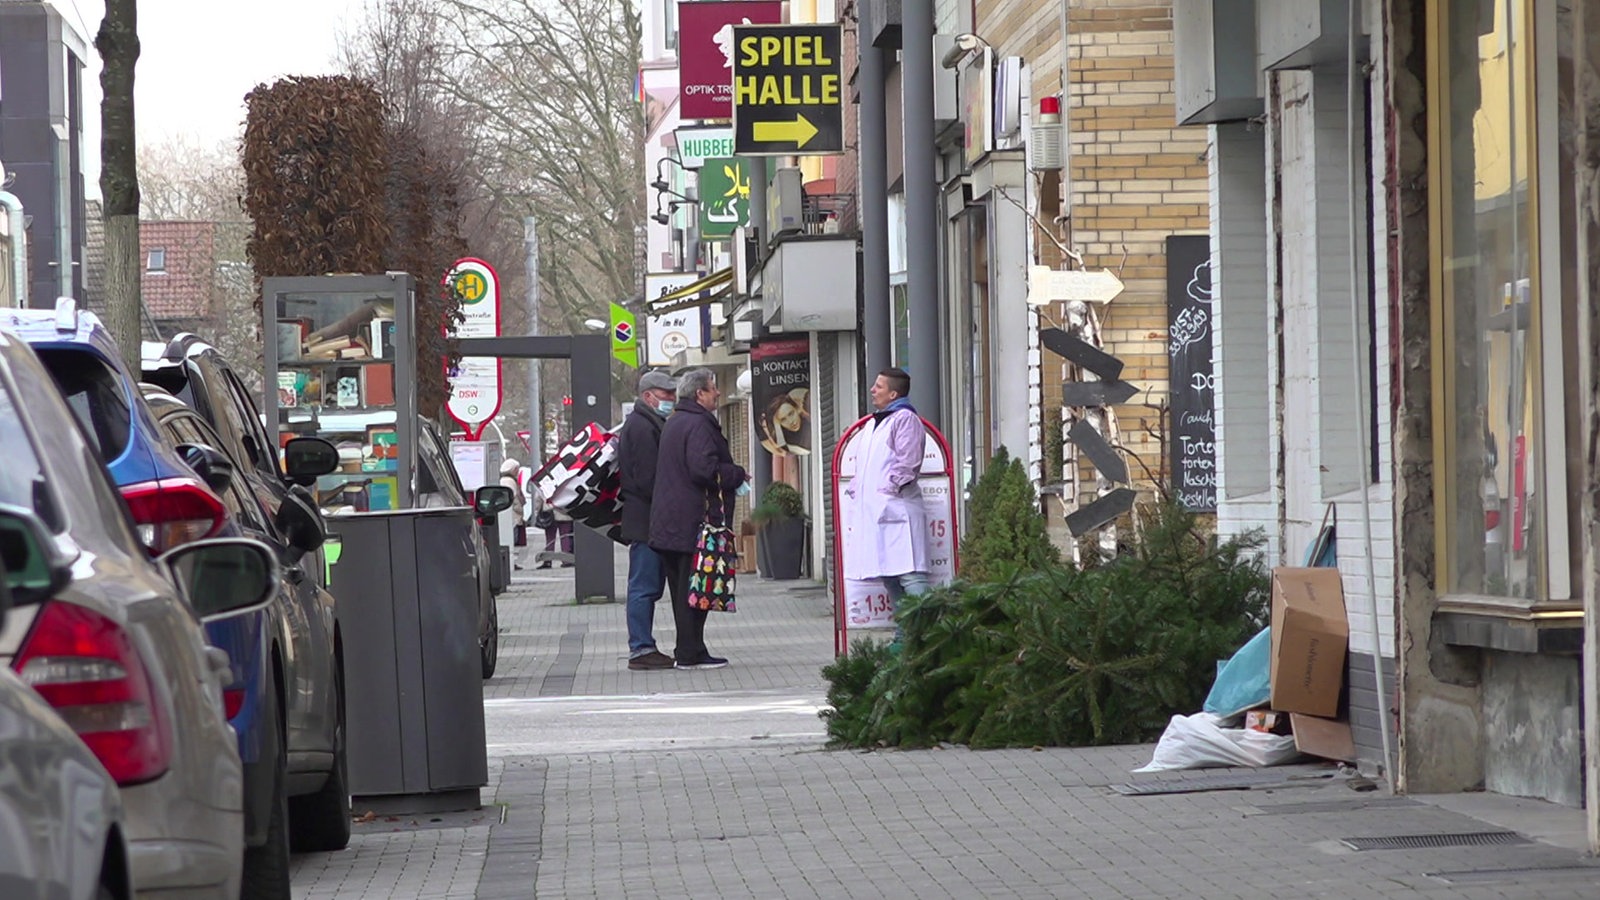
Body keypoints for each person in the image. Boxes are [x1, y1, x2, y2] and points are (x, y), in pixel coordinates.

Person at [649, 368, 747, 669]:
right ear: (699, 393)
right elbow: (703, 469)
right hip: (694, 522)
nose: (718, 393)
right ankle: (689, 652)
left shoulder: (676, 421)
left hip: (672, 522)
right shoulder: (699, 424)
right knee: (696, 588)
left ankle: (690, 649)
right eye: (713, 388)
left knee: (684, 589)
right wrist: (737, 474)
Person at [843, 368, 929, 635]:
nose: (872, 390)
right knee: (890, 576)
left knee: (911, 576)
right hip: (878, 515)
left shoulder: (905, 420)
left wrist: (888, 489)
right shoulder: (873, 423)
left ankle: (928, 632)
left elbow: (908, 462)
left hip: (898, 511)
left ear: (893, 393)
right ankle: (905, 635)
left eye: (878, 386)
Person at [618, 370, 678, 670]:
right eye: (666, 394)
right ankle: (640, 648)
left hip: (647, 518)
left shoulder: (648, 422)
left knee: (647, 585)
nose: (671, 399)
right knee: (643, 585)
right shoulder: (642, 427)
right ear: (648, 396)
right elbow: (647, 477)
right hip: (646, 520)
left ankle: (643, 646)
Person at [757, 387, 812, 456]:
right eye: (783, 420)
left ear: (796, 409)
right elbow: (780, 447)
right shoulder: (788, 443)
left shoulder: (810, 420)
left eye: (791, 414)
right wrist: (776, 424)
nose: (790, 421)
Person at [499, 458, 528, 569]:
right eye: (516, 469)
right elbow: (514, 498)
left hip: (512, 515)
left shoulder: (505, 480)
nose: (518, 471)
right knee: (513, 539)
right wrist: (520, 509)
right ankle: (512, 562)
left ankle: (512, 562)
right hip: (513, 515)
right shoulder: (509, 481)